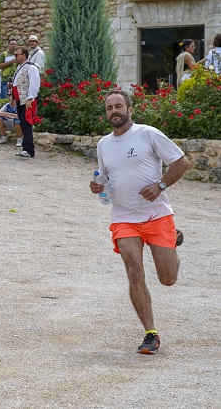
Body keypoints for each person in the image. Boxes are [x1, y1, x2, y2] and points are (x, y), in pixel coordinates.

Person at [89, 89, 191, 354]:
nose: (114, 111)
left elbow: (182, 162)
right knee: (134, 270)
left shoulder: (148, 134)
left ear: (130, 109)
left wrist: (160, 185)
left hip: (156, 214)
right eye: (110, 108)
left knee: (167, 279)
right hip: (124, 217)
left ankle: (172, 241)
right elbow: (105, 178)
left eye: (119, 106)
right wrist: (98, 186)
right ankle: (150, 333)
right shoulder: (103, 144)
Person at [12, 46, 40, 158]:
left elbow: (34, 83)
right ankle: (26, 147)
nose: (15, 57)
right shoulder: (20, 67)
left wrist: (30, 98)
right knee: (23, 124)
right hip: (20, 100)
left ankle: (28, 149)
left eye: (17, 55)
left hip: (26, 100)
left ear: (23, 56)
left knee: (26, 124)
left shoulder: (31, 68)